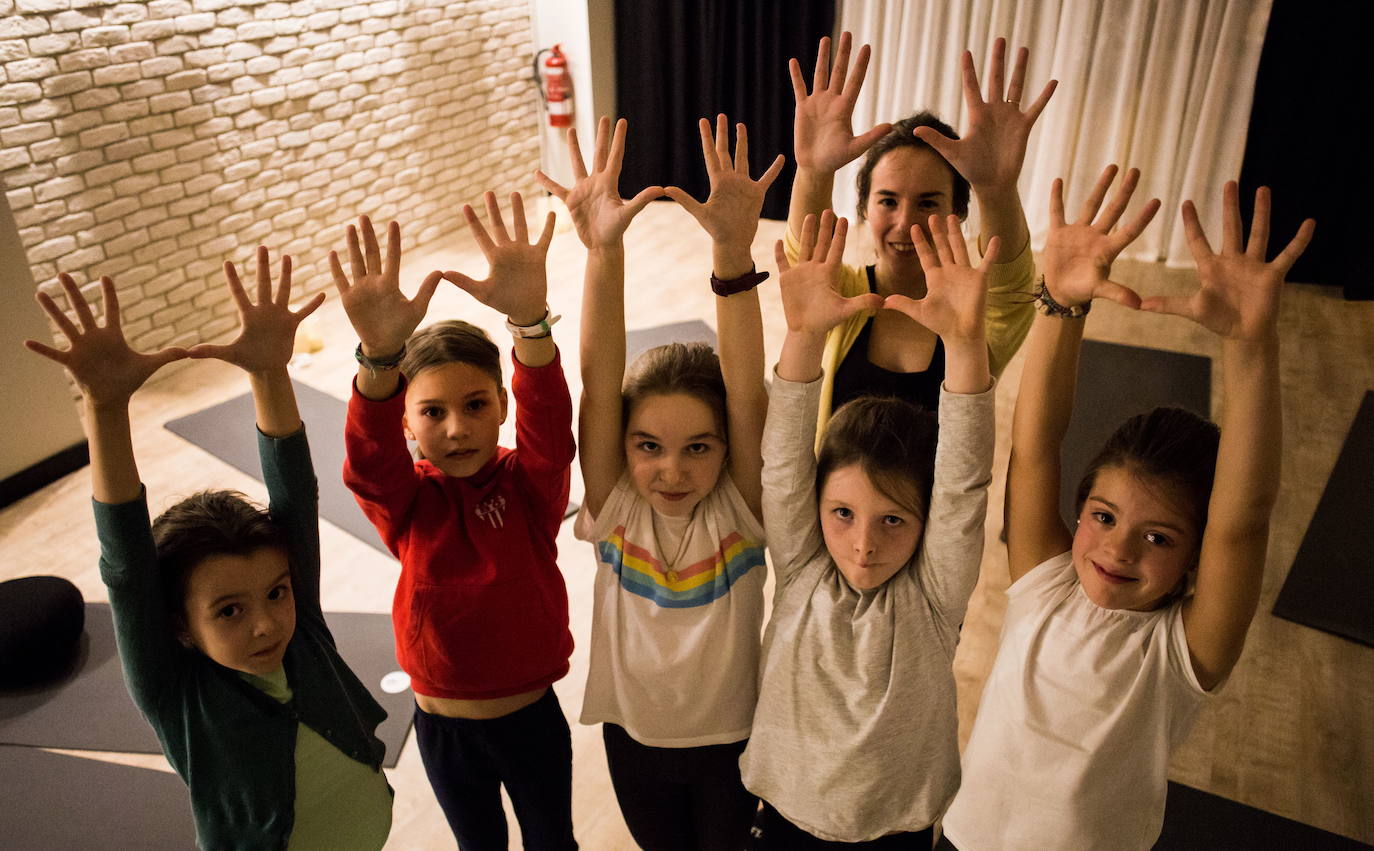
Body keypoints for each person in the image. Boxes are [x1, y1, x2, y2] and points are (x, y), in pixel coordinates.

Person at [937, 169, 1314, 850]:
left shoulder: (1180, 653)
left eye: (1159, 537)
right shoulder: (1044, 583)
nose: (1118, 550)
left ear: (1196, 559)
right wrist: (1060, 305)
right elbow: (1034, 448)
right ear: (1079, 511)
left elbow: (1243, 519)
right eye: (1104, 516)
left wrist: (1251, 348)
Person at [25, 253, 394, 849]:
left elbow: (295, 497)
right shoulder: (176, 696)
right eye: (228, 610)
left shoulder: (304, 636)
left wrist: (271, 372)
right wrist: (105, 408)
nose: (267, 623)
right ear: (179, 625)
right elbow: (127, 567)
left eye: (276, 592)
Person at [536, 114, 776, 850]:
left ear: (728, 448)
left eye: (698, 446)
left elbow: (747, 395)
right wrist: (601, 253)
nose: (671, 469)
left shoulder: (741, 506)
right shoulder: (616, 505)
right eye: (648, 446)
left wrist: (731, 255)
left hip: (732, 742)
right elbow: (599, 378)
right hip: (631, 738)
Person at [741, 209, 1001, 847]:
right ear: (816, 506)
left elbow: (964, 482)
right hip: (785, 820)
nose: (863, 544)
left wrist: (966, 346)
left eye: (893, 519)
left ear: (924, 519)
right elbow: (781, 463)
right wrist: (801, 336)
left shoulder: (935, 595)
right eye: (843, 514)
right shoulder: (802, 564)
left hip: (897, 831)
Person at [333, 203, 578, 850]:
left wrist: (530, 323)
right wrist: (379, 362)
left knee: (553, 842)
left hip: (532, 721)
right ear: (406, 423)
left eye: (474, 405)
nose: (456, 427)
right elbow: (367, 460)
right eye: (432, 411)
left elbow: (550, 426)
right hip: (443, 730)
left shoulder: (530, 488)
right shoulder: (407, 502)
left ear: (502, 403)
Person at [787, 32, 1055, 434]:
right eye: (888, 201)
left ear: (959, 211)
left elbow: (1010, 284)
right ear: (863, 208)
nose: (905, 224)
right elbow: (807, 257)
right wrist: (813, 172)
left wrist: (996, 189)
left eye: (928, 203)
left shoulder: (972, 316)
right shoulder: (840, 296)